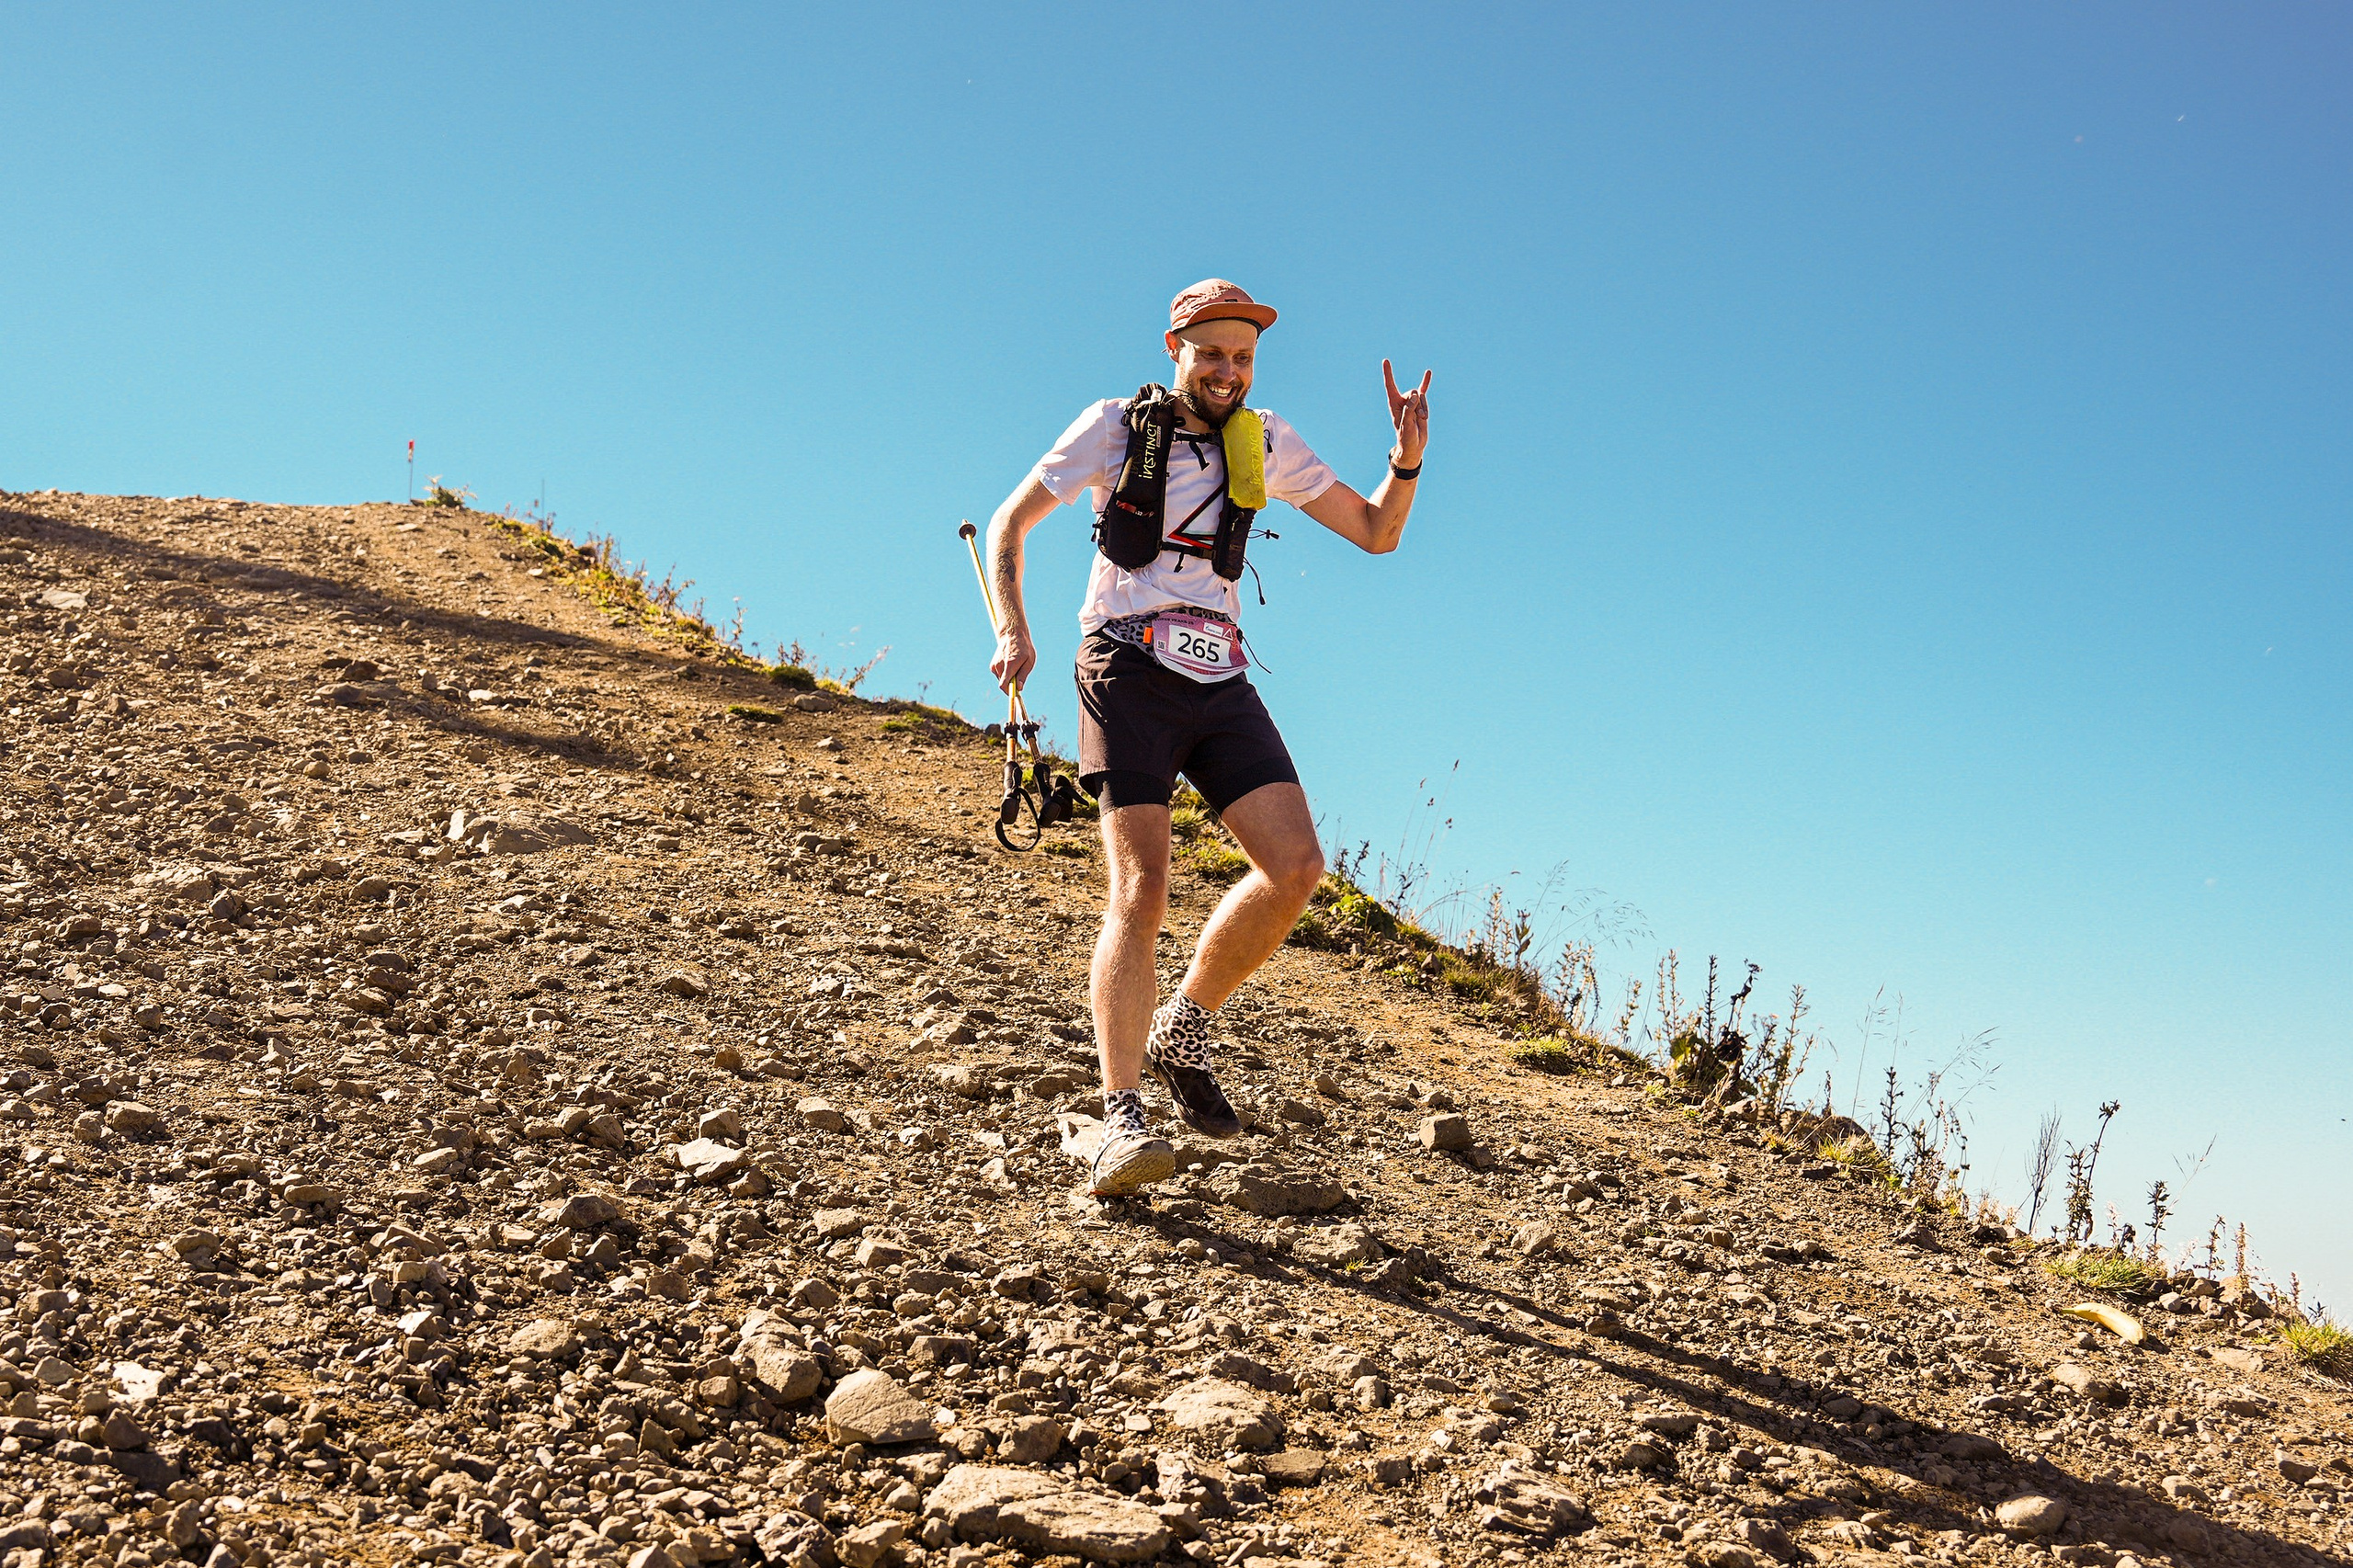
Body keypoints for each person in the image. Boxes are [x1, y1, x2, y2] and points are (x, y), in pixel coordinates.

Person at [982, 278, 1431, 1196]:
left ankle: (1183, 1025)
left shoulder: (1264, 441)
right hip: (1123, 664)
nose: (1229, 371)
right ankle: (1118, 1117)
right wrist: (1012, 629)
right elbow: (1008, 524)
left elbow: (1378, 533)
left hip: (1217, 672)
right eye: (1212, 353)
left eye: (1244, 357)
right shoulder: (1113, 426)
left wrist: (1407, 459)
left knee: (1296, 867)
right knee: (1143, 885)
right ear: (1174, 346)